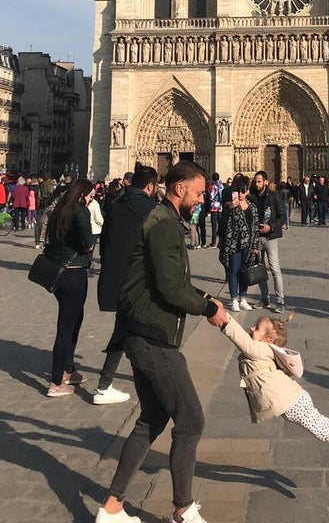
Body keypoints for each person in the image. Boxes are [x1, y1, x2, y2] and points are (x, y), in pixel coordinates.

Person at [96, 161, 227, 523]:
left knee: (152, 418)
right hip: (152, 334)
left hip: (140, 329)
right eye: (199, 193)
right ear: (180, 188)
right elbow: (170, 288)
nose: (202, 199)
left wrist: (203, 297)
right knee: (191, 420)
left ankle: (112, 509)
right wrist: (206, 308)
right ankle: (183, 509)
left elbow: (165, 279)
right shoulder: (165, 224)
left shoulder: (161, 219)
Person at [218, 314, 329, 471]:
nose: (252, 328)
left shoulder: (260, 348)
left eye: (257, 328)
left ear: (269, 341)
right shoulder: (261, 348)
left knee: (321, 430)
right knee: (321, 424)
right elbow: (246, 341)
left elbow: (242, 340)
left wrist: (225, 319)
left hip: (292, 401)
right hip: (291, 399)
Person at [95, 165, 158, 405]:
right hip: (139, 280)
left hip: (116, 278)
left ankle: (107, 383)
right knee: (140, 329)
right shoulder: (151, 209)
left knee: (126, 329)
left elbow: (105, 243)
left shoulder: (115, 206)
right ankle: (106, 385)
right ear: (151, 186)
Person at [43, 179, 97, 397]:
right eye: (90, 194)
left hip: (59, 273)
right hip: (74, 273)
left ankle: (68, 369)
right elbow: (89, 242)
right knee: (67, 326)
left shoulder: (59, 212)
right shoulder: (81, 212)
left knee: (73, 321)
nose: (92, 198)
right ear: (82, 194)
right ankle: (56, 381)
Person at [217, 176, 260, 312]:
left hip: (248, 243)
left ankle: (243, 298)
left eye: (243, 191)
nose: (240, 194)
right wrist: (230, 206)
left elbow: (255, 226)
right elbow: (223, 222)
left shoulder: (252, 207)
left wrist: (255, 246)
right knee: (233, 271)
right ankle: (234, 299)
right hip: (234, 243)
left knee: (244, 271)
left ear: (247, 191)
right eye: (238, 191)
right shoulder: (231, 205)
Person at [252, 171, 287, 313]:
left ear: (265, 182)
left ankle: (280, 301)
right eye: (255, 181)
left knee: (274, 269)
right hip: (257, 238)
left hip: (270, 237)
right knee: (260, 270)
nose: (256, 184)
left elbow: (282, 217)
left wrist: (270, 227)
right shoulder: (252, 197)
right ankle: (264, 298)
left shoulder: (274, 197)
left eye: (259, 181)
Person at [207, 172, 224, 247]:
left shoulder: (213, 186)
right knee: (220, 225)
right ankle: (221, 241)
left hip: (214, 207)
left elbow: (212, 197)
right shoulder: (221, 185)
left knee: (214, 225)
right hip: (220, 207)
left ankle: (213, 242)